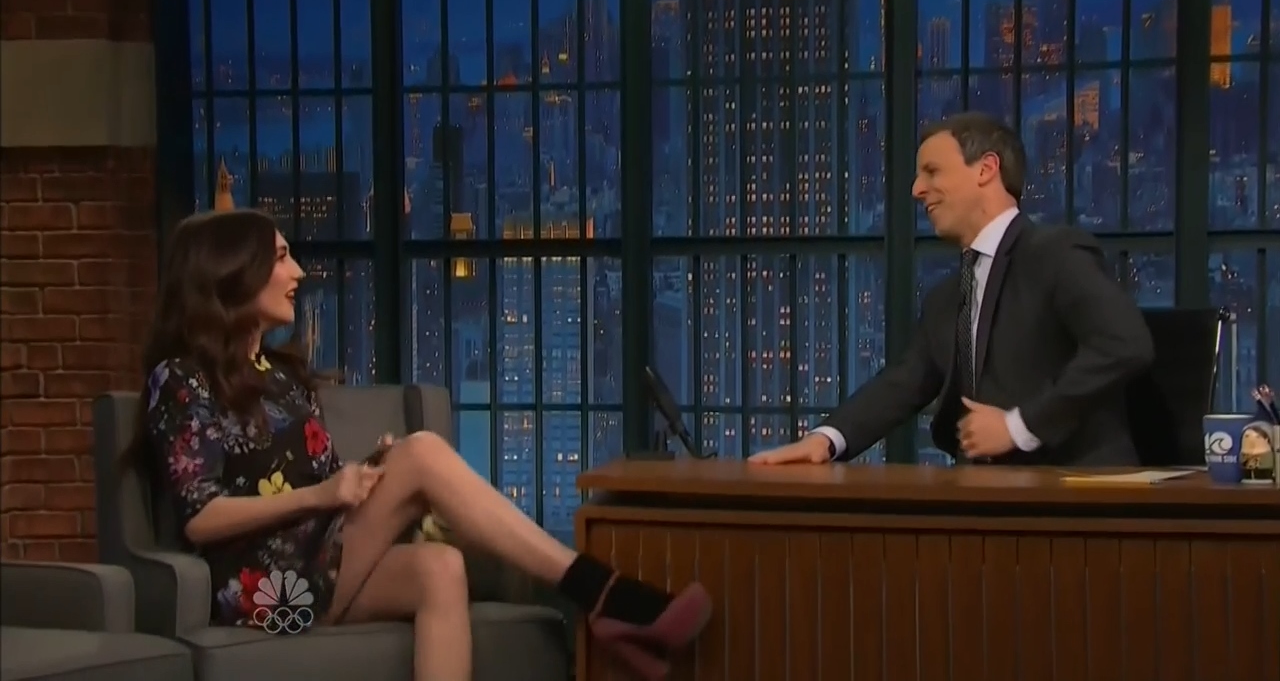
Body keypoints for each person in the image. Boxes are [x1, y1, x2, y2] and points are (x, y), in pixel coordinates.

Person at [126, 209, 709, 681]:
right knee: (424, 452)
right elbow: (200, 517)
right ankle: (602, 593)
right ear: (233, 272)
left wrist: (368, 471)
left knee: (440, 567)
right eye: (281, 257)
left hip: (316, 564)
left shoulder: (283, 376)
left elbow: (320, 483)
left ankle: (600, 599)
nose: (298, 271)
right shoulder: (180, 379)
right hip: (262, 591)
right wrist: (326, 494)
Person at [751, 112, 1154, 468]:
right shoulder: (946, 298)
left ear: (986, 169)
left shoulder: (1055, 254)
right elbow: (904, 383)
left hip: (1075, 497)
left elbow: (1124, 344)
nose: (917, 189)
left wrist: (1019, 427)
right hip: (981, 498)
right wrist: (825, 440)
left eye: (932, 171)